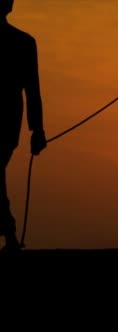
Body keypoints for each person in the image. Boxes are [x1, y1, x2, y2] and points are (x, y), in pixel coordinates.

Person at [1, 0, 47, 253]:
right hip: (9, 118)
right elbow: (33, 90)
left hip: (6, 118)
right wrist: (37, 130)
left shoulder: (24, 43)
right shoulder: (24, 42)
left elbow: (33, 90)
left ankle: (9, 233)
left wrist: (37, 129)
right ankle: (9, 234)